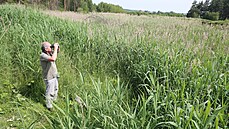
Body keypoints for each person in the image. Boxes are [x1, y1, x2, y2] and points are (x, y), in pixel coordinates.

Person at [40, 42, 60, 110]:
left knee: (55, 89)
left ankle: (54, 102)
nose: (51, 47)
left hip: (54, 75)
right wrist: (55, 48)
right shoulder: (43, 55)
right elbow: (53, 59)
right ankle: (49, 106)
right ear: (45, 48)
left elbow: (56, 53)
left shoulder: (49, 53)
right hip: (49, 77)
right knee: (49, 92)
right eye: (49, 46)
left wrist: (56, 48)